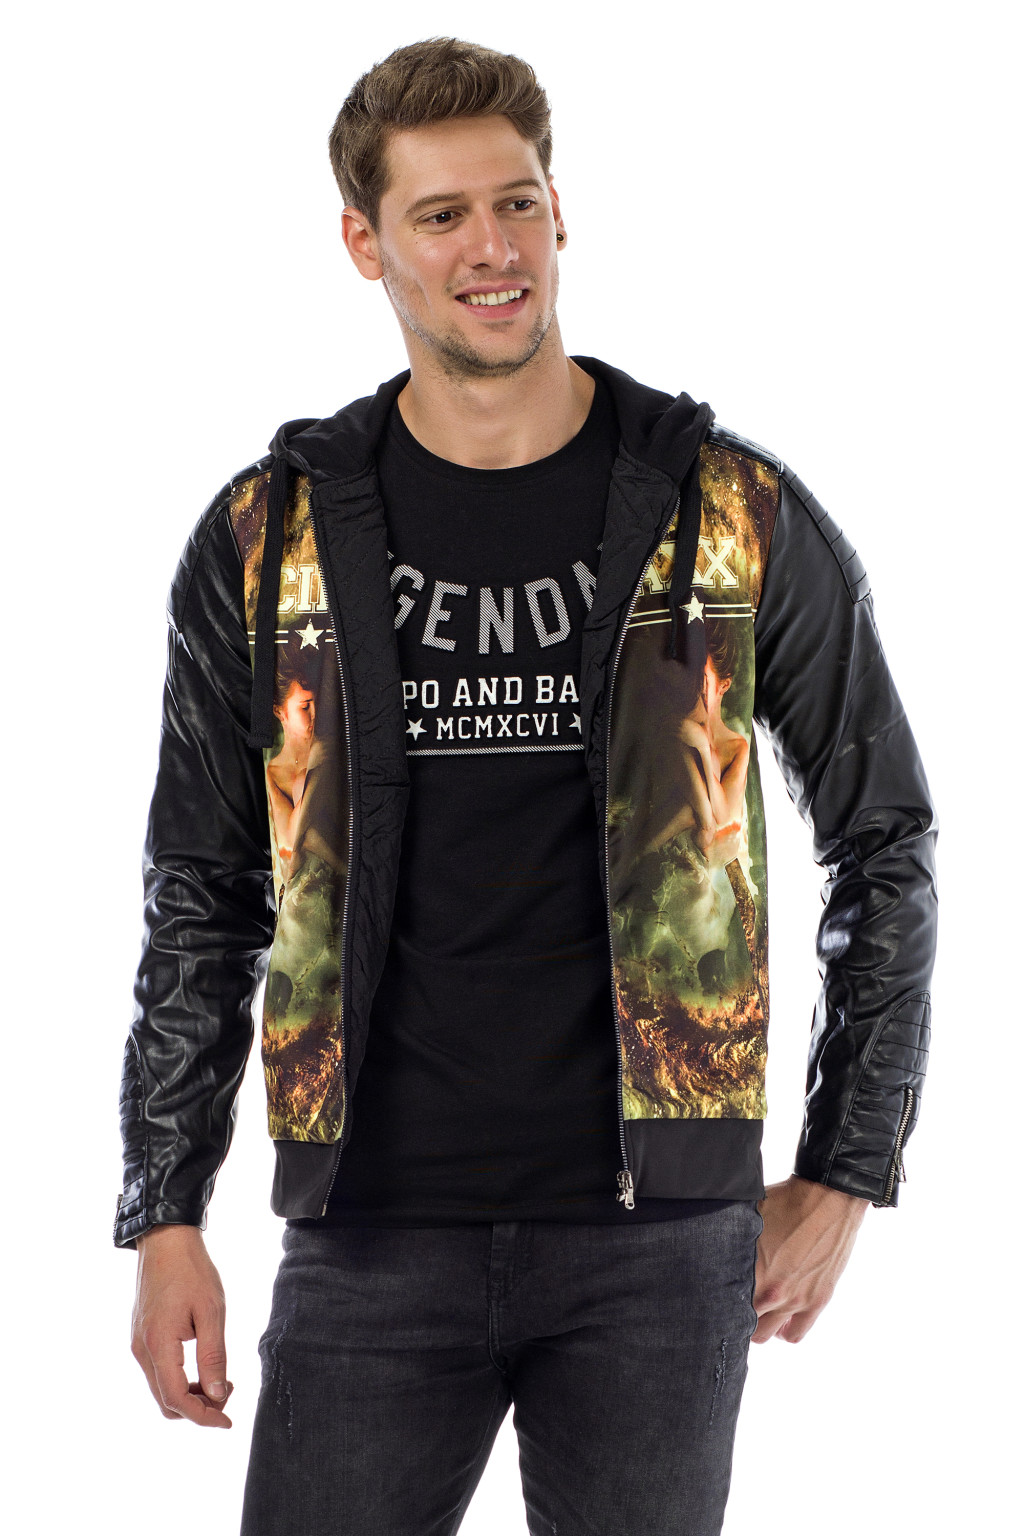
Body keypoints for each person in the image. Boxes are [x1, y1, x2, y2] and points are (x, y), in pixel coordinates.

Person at [115, 36, 938, 1536]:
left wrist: (847, 1172)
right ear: (365, 242)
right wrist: (165, 1209)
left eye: (517, 203)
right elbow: (202, 891)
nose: (491, 248)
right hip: (370, 1231)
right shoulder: (268, 536)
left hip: (662, 1241)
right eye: (441, 216)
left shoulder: (728, 509)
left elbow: (886, 840)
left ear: (561, 213)